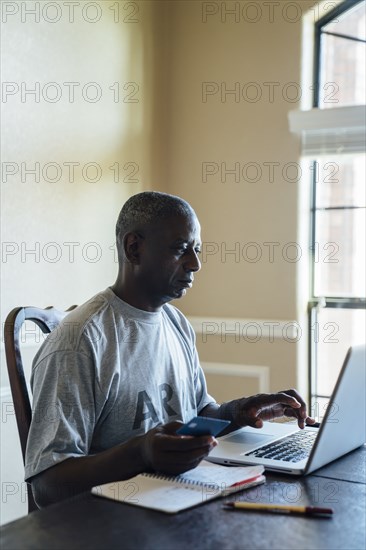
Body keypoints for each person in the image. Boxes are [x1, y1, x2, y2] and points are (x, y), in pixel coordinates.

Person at [25, 191, 314, 507]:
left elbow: (199, 416)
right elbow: (47, 484)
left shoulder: (176, 323)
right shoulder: (79, 342)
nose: (196, 263)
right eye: (181, 249)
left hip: (176, 501)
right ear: (134, 248)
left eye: (197, 250)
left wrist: (240, 411)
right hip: (111, 522)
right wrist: (141, 452)